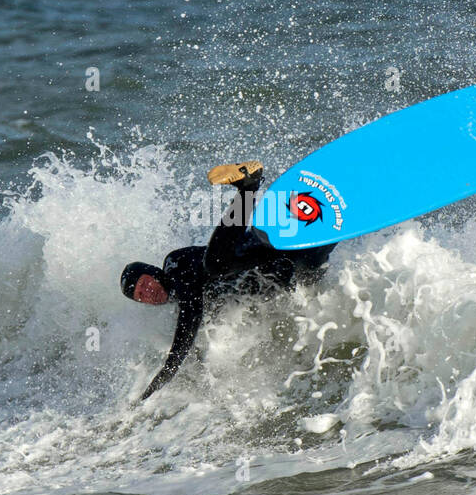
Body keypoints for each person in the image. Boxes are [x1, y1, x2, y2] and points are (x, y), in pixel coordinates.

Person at [120, 161, 336, 399]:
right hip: (286, 273)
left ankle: (248, 185)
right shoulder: (179, 300)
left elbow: (191, 310)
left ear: (153, 272)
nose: (147, 292)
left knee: (215, 265)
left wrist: (169, 368)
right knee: (318, 260)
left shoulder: (175, 265)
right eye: (141, 296)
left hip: (265, 250)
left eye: (144, 283)